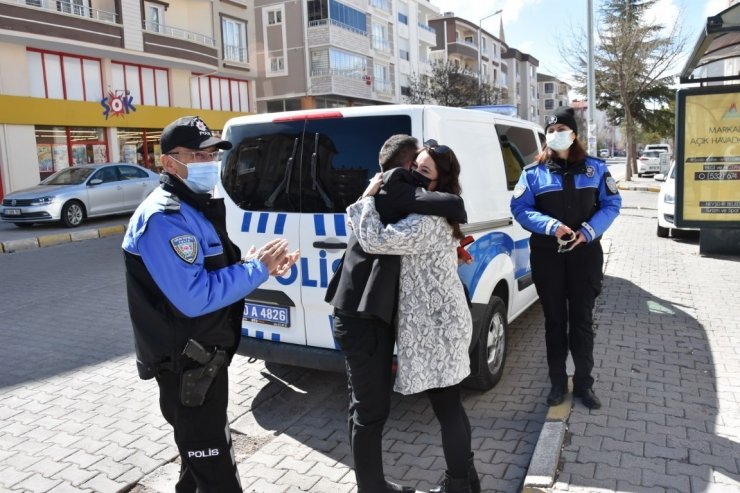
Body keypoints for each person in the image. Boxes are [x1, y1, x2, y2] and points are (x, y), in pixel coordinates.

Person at [122, 115, 299, 492]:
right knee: (218, 477)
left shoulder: (194, 206)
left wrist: (259, 266)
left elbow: (213, 269)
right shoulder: (163, 219)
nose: (209, 164)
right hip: (186, 368)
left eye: (212, 155)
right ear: (169, 163)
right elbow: (194, 296)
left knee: (196, 470)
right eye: (198, 156)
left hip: (204, 362)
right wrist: (254, 270)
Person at [325, 135, 467, 493]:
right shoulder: (402, 210)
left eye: (423, 171)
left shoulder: (423, 216)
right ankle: (377, 487)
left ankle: (460, 484)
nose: (415, 176)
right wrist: (368, 198)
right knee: (372, 411)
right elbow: (370, 237)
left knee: (445, 408)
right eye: (414, 168)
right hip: (365, 317)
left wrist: (366, 199)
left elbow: (376, 238)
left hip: (436, 326)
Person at [510, 107, 622, 410]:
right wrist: (550, 226)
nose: (555, 134)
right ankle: (558, 383)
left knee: (582, 322)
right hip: (549, 258)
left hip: (584, 256)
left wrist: (588, 231)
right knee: (555, 323)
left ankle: (584, 384)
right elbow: (520, 209)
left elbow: (612, 203)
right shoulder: (533, 173)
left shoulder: (595, 169)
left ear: (573, 134)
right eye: (551, 130)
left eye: (561, 128)